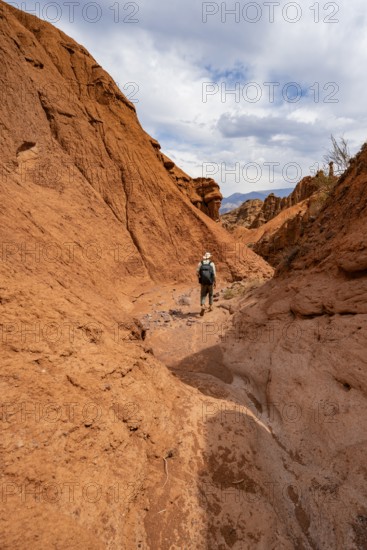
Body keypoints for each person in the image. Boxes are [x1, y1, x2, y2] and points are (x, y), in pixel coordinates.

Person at [197, 252, 216, 316]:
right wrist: (215, 282)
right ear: (209, 257)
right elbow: (214, 274)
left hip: (203, 282)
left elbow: (197, 273)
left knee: (203, 294)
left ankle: (202, 305)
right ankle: (210, 306)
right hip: (210, 282)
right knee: (211, 294)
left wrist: (200, 279)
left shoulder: (200, 263)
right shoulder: (212, 263)